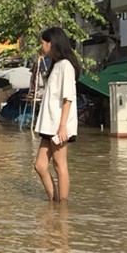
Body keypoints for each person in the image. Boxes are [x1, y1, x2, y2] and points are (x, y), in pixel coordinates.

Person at [34, 27, 80, 203]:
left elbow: (68, 98)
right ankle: (55, 203)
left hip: (58, 125)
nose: (41, 46)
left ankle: (63, 207)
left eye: (43, 43)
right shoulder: (56, 65)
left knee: (60, 165)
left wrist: (62, 127)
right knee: (40, 165)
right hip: (49, 124)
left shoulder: (66, 66)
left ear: (51, 43)